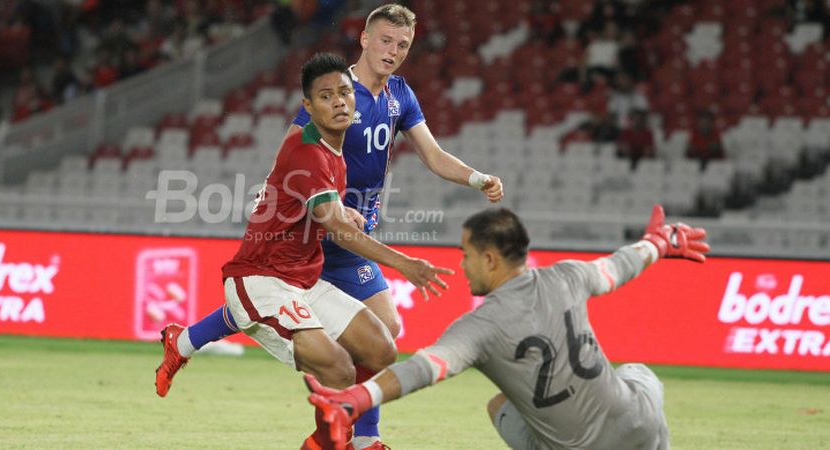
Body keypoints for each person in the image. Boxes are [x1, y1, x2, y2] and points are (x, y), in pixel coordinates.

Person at [156, 5, 504, 449]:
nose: (392, 52)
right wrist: (321, 206)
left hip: (353, 235)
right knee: (305, 317)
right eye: (384, 41)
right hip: (322, 230)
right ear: (363, 39)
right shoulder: (335, 91)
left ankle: (185, 341)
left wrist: (477, 178)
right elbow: (292, 154)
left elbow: (433, 156)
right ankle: (357, 437)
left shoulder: (399, 95)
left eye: (402, 45)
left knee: (383, 335)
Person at [304, 205, 710, 449]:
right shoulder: (568, 275)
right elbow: (621, 265)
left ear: (491, 259)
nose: (462, 264)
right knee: (638, 374)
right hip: (642, 428)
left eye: (467, 254)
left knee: (503, 410)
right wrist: (660, 241)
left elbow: (422, 369)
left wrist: (354, 399)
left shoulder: (480, 327)